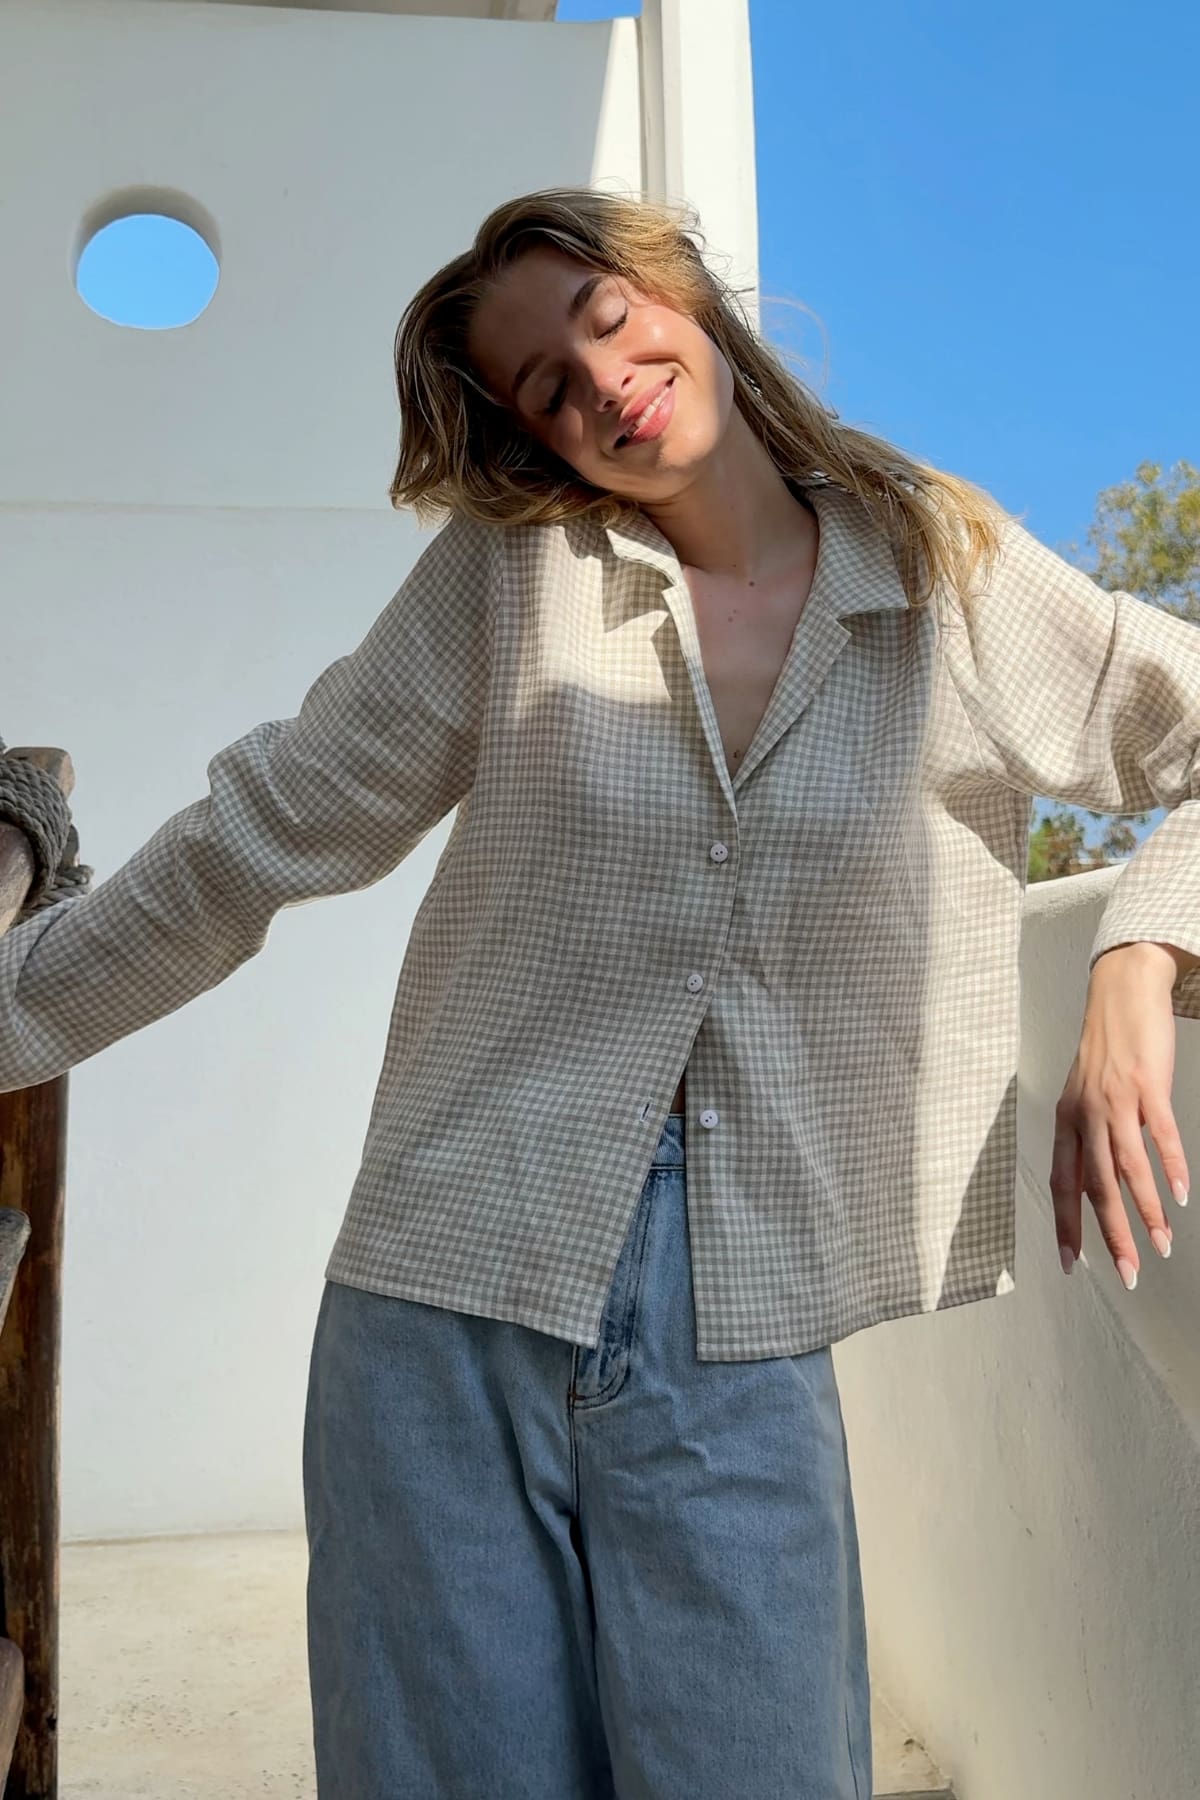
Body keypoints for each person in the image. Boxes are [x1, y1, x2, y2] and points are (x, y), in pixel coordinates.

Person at [2, 186, 1198, 1799]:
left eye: (607, 319)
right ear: (532, 437)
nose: (603, 385)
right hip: (440, 1297)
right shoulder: (518, 580)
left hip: (745, 1322)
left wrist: (1139, 955)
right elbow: (257, 838)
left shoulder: (944, 579)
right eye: (546, 388)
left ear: (679, 291)